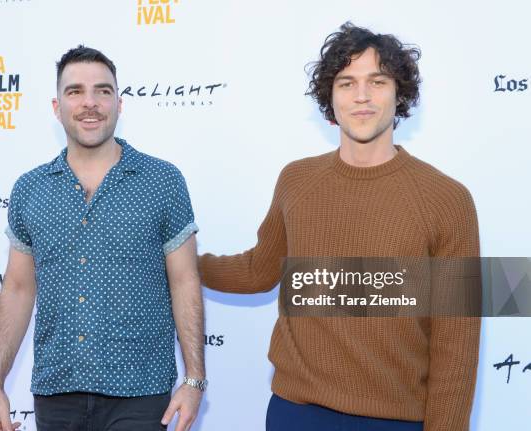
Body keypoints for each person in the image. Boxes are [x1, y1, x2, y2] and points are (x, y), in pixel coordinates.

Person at [199, 23, 480, 430]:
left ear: (399, 93)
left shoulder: (448, 199)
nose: (362, 96)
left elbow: (457, 344)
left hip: (396, 421)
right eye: (347, 83)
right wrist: (179, 261)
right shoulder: (296, 180)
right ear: (330, 98)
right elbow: (259, 270)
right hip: (295, 413)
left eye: (377, 81)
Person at [0, 45, 206, 431]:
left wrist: (193, 379)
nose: (90, 103)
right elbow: (18, 288)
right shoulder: (30, 188)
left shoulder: (162, 181)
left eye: (103, 91)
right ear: (57, 107)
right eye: (75, 92)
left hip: (142, 392)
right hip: (57, 390)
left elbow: (185, 281)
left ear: (119, 104)